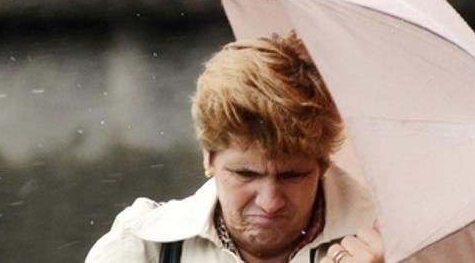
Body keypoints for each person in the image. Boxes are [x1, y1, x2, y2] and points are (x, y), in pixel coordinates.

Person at [85, 32, 383, 263]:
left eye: (292, 176)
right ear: (209, 157)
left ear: (322, 165)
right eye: (246, 174)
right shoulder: (144, 245)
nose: (270, 202)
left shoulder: (392, 246)